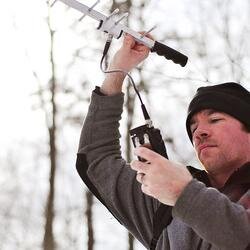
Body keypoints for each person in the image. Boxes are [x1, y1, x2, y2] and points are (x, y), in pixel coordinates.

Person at [76, 34, 250, 250]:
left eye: (215, 120)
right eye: (193, 128)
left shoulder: (179, 191)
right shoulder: (164, 203)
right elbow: (95, 160)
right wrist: (117, 70)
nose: (199, 133)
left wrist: (184, 194)